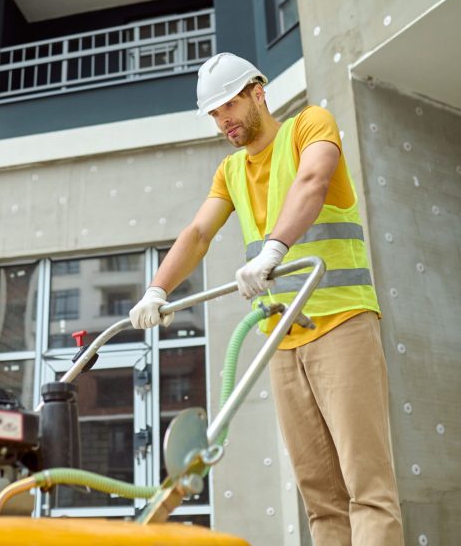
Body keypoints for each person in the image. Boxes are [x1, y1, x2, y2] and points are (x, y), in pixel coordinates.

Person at [129, 52, 404, 545]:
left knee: (367, 488)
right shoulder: (230, 171)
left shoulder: (309, 125)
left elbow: (313, 181)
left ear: (258, 90)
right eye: (213, 114)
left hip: (342, 324)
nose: (223, 121)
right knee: (320, 499)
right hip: (282, 341)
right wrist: (157, 290)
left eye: (229, 106)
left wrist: (274, 250)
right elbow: (197, 233)